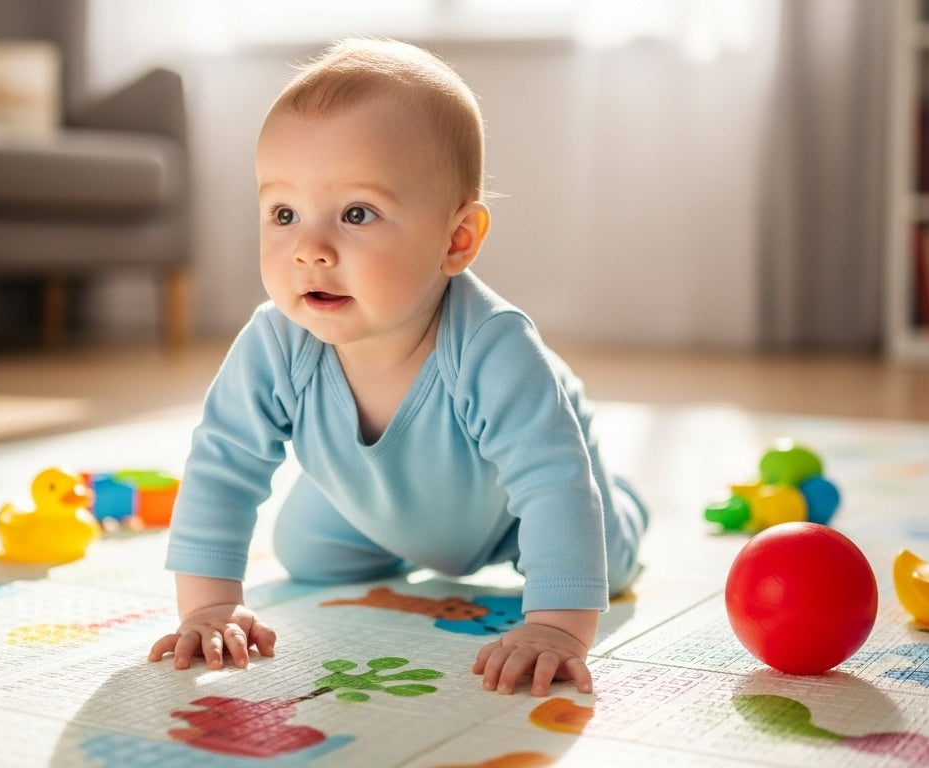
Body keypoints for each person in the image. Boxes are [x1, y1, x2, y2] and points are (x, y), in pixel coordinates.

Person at [147, 38, 647, 697]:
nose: (310, 250)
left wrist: (557, 626)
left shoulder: (493, 346)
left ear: (456, 239)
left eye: (357, 214)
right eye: (284, 213)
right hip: (365, 505)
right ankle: (381, 518)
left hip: (509, 515)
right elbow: (223, 463)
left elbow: (552, 483)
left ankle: (624, 500)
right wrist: (209, 606)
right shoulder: (275, 342)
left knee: (600, 563)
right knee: (306, 556)